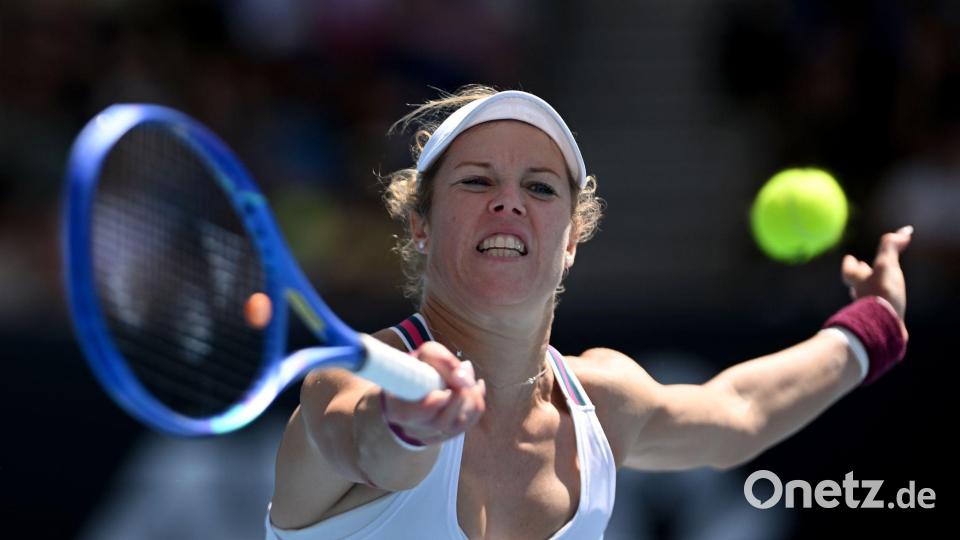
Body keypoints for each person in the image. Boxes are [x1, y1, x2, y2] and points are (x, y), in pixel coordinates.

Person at [264, 86, 912, 539]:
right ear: (421, 227)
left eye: (540, 187)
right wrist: (406, 424)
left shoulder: (602, 400)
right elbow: (363, 441)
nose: (510, 202)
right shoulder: (350, 383)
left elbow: (738, 413)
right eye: (476, 181)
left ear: (571, 241)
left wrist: (874, 325)